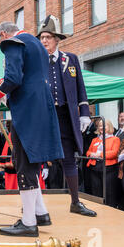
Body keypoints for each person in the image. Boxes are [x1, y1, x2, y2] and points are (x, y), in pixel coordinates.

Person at [0, 21, 64, 237]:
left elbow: (13, 77)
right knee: (32, 160)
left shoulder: (12, 42)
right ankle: (40, 213)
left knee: (23, 162)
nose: (0, 45)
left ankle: (29, 222)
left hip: (27, 108)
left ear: (2, 34)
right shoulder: (36, 44)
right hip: (41, 106)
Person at [38, 15, 96, 217]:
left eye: (48, 37)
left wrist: (84, 114)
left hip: (65, 116)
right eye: (42, 37)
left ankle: (75, 202)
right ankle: (33, 204)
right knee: (36, 159)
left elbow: (81, 88)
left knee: (69, 159)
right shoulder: (36, 60)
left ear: (57, 39)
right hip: (44, 117)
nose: (44, 40)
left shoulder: (70, 59)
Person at [86, 119, 121, 207]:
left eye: (104, 125)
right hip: (95, 167)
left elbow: (114, 153)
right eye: (100, 126)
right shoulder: (95, 139)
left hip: (109, 168)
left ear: (109, 127)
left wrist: (99, 155)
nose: (102, 127)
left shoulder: (115, 139)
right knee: (96, 191)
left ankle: (110, 210)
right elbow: (88, 152)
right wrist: (92, 154)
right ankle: (98, 209)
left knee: (109, 192)